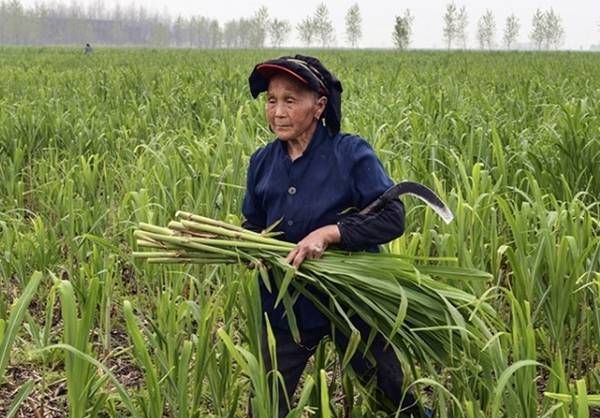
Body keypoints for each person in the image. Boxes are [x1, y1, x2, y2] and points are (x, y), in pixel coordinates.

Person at [243, 55, 431, 418]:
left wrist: (331, 233)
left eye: (290, 100)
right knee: (266, 405)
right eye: (271, 100)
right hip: (289, 307)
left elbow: (393, 217)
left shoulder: (351, 154)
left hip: (351, 302)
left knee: (392, 396)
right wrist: (250, 246)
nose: (277, 112)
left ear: (319, 106)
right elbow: (252, 223)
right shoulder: (262, 162)